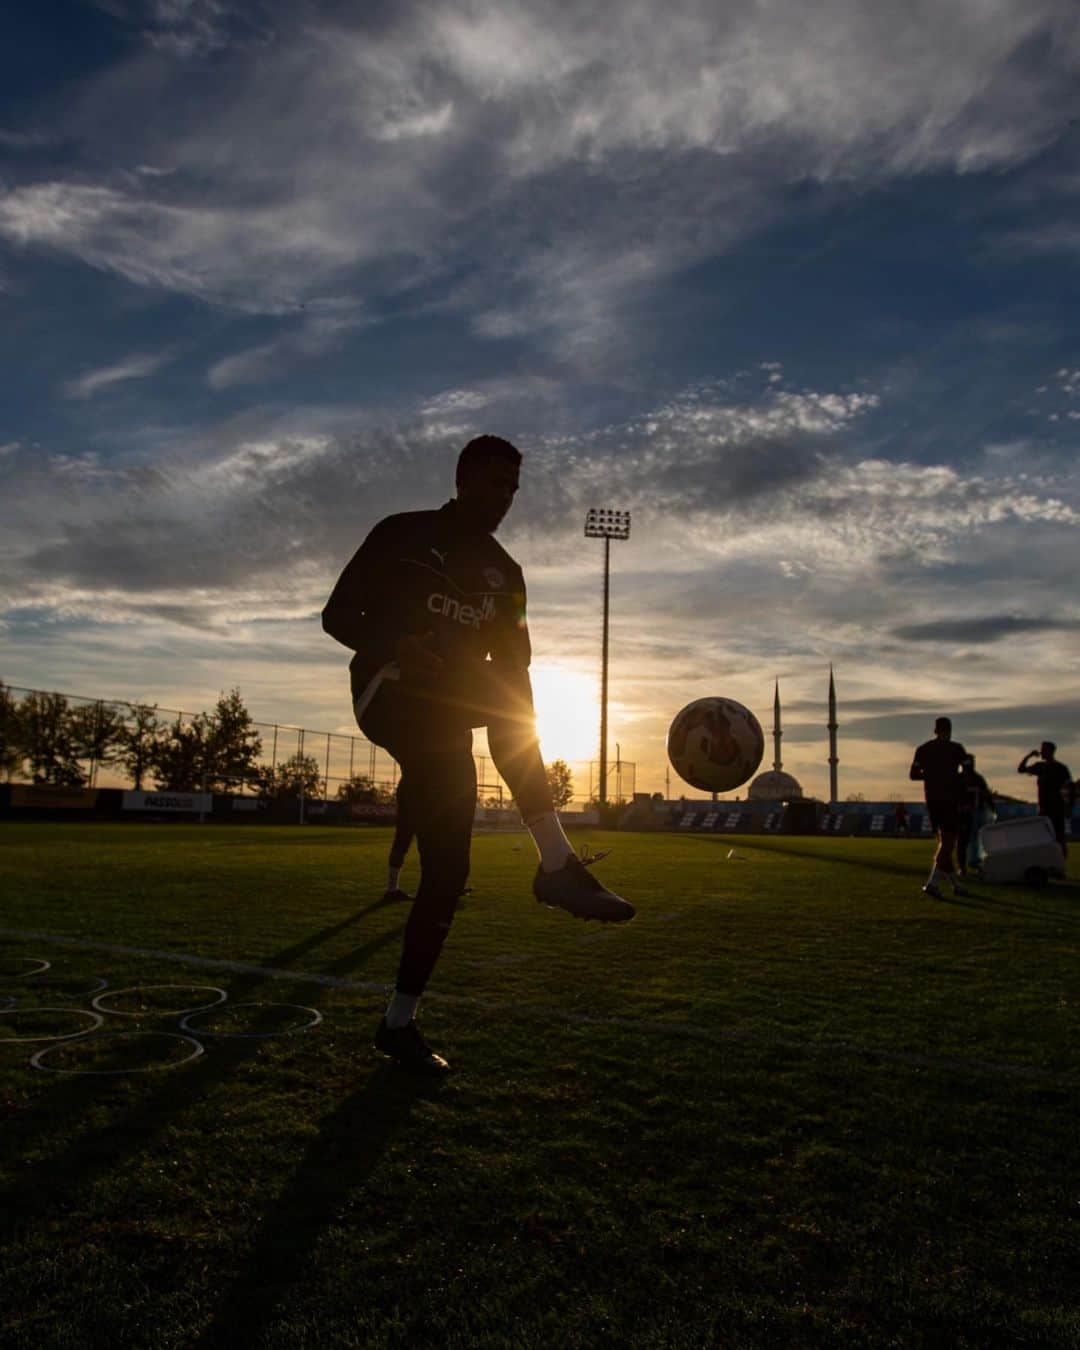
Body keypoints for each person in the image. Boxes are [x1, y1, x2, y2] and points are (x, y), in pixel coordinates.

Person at [322, 434, 635, 1074]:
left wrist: (521, 724)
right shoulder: (403, 534)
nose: (505, 499)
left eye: (514, 489)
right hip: (389, 690)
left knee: (450, 869)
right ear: (463, 479)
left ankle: (399, 1023)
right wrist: (396, 643)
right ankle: (556, 867)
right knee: (463, 740)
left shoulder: (507, 575)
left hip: (449, 712)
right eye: (495, 484)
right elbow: (336, 616)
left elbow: (515, 673)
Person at [909, 716, 968, 899]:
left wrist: (930, 777)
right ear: (950, 730)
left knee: (945, 843)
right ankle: (932, 883)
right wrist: (950, 779)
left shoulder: (923, 749)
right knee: (949, 843)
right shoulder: (957, 749)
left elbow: (913, 775)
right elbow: (966, 773)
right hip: (950, 800)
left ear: (935, 730)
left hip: (932, 800)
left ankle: (955, 885)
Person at [1018, 741, 1073, 858]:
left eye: (1043, 749)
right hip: (1043, 809)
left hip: (1057, 808)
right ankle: (1049, 862)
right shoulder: (1040, 766)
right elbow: (1021, 769)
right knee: (1043, 837)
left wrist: (1069, 806)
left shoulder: (1061, 768)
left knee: (1059, 837)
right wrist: (1029, 756)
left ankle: (1061, 864)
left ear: (1050, 751)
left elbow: (1070, 788)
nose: (1041, 751)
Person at [956, 754, 994, 876]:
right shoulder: (959, 778)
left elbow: (986, 794)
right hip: (964, 813)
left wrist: (992, 807)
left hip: (979, 811)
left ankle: (978, 862)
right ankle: (965, 866)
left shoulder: (977, 778)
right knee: (964, 840)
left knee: (980, 838)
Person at [383, 781, 415, 903]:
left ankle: (392, 889)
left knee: (402, 840)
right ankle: (443, 887)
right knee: (403, 840)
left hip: (411, 789)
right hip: (415, 792)